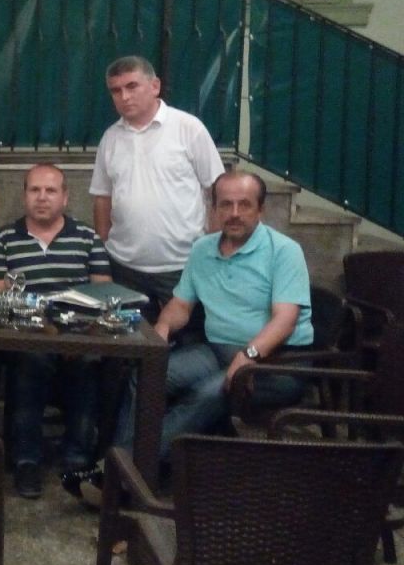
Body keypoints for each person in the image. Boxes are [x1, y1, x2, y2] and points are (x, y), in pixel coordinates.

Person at [115, 171, 314, 463]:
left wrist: (248, 356)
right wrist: (163, 326)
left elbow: (284, 320)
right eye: (226, 204)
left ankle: (127, 468)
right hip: (217, 351)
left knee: (207, 393)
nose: (234, 213)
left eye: (244, 204)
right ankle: (124, 464)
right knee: (146, 375)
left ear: (260, 209)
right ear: (214, 208)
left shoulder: (284, 251)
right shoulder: (202, 249)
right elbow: (180, 305)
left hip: (277, 362)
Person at [0, 164, 112, 499]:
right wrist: (43, 328)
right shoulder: (4, 239)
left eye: (51, 190)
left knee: (87, 363)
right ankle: (26, 460)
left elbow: (103, 294)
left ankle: (77, 460)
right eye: (35, 190)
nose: (42, 197)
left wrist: (75, 335)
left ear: (65, 197)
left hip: (78, 335)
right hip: (28, 334)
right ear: (24, 195)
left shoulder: (87, 237)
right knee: (31, 360)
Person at [89, 55, 224, 317]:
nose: (124, 97)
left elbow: (217, 191)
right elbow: (102, 198)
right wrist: (104, 248)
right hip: (124, 267)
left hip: (182, 266)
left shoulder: (188, 128)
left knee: (186, 336)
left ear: (155, 86)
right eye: (116, 90)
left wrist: (212, 250)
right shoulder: (110, 138)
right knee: (131, 337)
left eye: (132, 86)